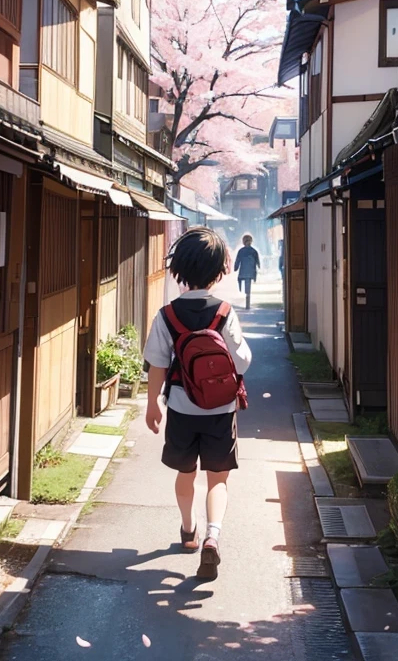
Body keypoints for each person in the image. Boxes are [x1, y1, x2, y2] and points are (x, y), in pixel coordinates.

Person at [144, 227, 252, 581]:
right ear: (219, 271)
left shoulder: (167, 315)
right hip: (220, 408)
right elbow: (242, 361)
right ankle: (213, 536)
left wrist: (152, 405)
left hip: (181, 406)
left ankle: (188, 531)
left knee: (185, 472)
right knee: (217, 478)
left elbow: (158, 363)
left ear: (179, 269)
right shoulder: (223, 312)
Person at [233, 233, 260, 310]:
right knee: (248, 289)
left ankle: (246, 302)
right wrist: (258, 267)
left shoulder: (241, 251)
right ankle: (247, 303)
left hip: (242, 272)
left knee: (244, 288)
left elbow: (237, 261)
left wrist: (235, 268)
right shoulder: (254, 251)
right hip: (251, 272)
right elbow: (257, 262)